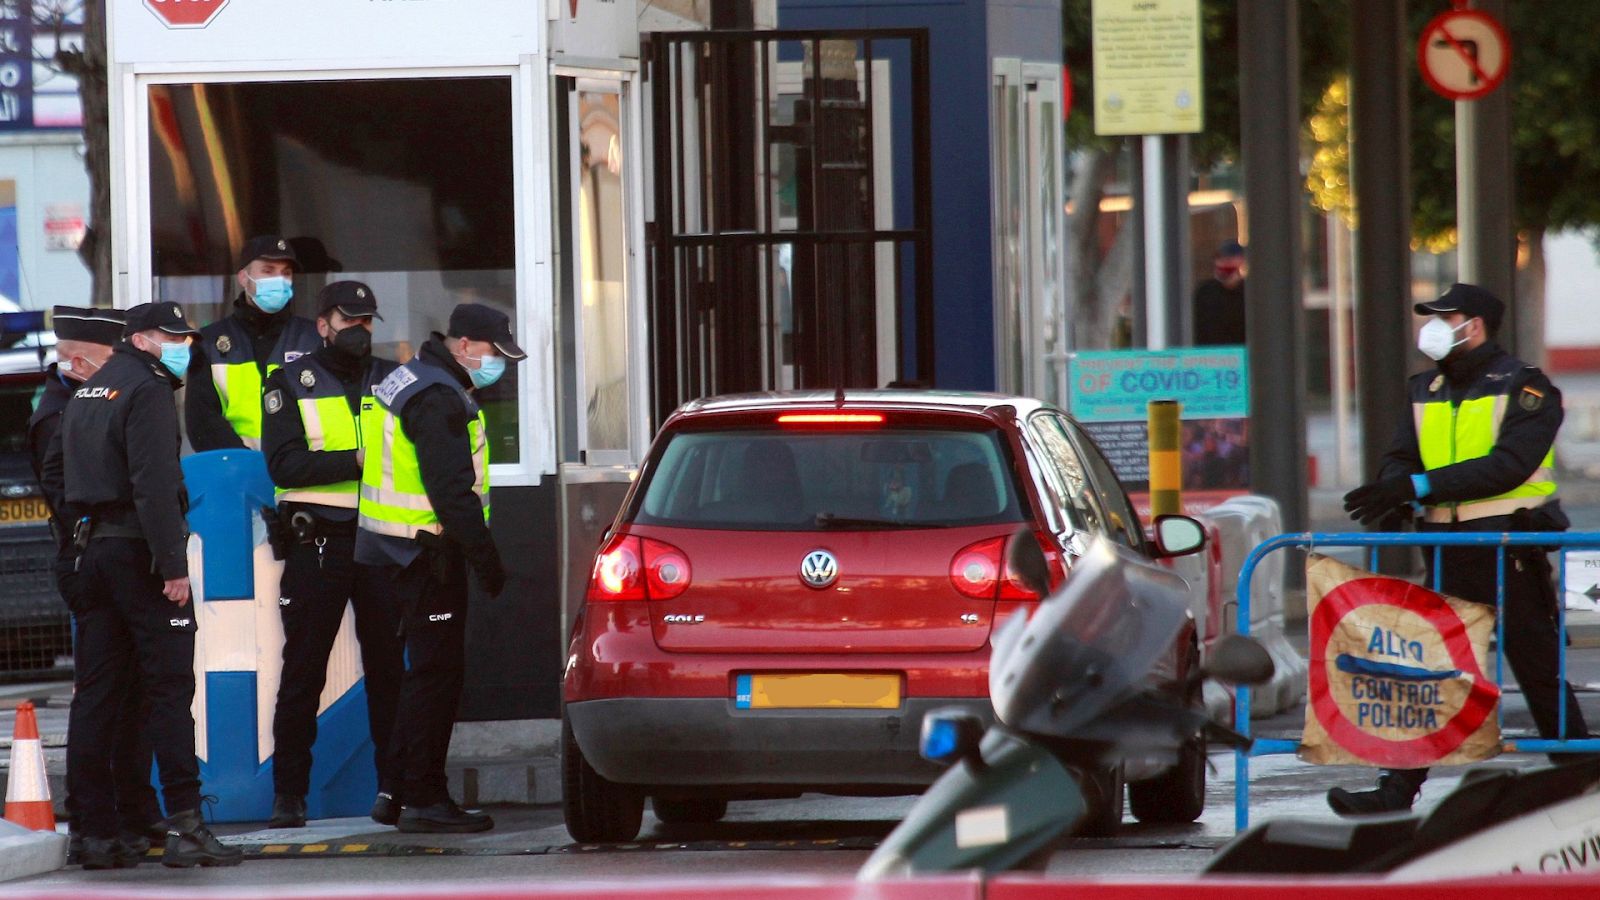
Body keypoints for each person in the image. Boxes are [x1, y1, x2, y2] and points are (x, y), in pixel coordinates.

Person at [1328, 282, 1591, 815]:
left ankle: (1582, 788)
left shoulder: (1525, 387)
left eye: (1446, 316)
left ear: (1475, 325)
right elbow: (1402, 454)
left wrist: (1419, 487)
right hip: (1446, 549)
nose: (1435, 325)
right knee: (1427, 672)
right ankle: (1396, 790)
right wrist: (1395, 487)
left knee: (1537, 670)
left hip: (1507, 545)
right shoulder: (1425, 388)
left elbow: (1509, 465)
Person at [54, 301, 241, 868]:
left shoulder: (88, 391)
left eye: (185, 336)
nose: (182, 344)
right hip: (139, 553)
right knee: (168, 690)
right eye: (171, 335)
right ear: (139, 339)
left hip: (94, 552)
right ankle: (186, 824)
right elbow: (155, 485)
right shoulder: (149, 390)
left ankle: (94, 831)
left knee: (100, 693)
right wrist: (174, 567)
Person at [354, 303, 521, 833]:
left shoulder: (409, 377)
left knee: (418, 675)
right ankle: (425, 798)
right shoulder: (437, 396)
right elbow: (450, 491)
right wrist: (486, 561)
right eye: (494, 353)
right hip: (428, 552)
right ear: (465, 345)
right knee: (436, 677)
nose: (499, 364)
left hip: (390, 550)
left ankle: (395, 790)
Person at [261, 282, 405, 829]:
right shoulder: (288, 382)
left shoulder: (393, 379)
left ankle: (397, 790)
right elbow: (285, 466)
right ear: (322, 324)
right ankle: (288, 795)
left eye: (368, 320)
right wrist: (359, 461)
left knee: (391, 671)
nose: (360, 330)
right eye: (350, 320)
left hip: (381, 542)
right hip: (318, 541)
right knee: (303, 671)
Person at [27, 307, 165, 860]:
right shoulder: (61, 413)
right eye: (113, 361)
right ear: (81, 360)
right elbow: (74, 500)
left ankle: (129, 810)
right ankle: (96, 821)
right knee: (105, 694)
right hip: (94, 560)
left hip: (105, 556)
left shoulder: (76, 403)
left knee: (129, 694)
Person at [186, 235, 321, 451]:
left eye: (286, 273)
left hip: (303, 475)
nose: (279, 279)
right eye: (268, 271)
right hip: (238, 475)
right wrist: (243, 464)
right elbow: (202, 421)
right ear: (243, 277)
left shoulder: (314, 338)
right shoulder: (209, 341)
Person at [1192, 240, 1247, 346]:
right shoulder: (1205, 292)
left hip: (1242, 356)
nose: (1226, 263)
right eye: (1222, 259)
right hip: (1211, 355)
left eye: (1231, 260)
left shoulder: (1248, 294)